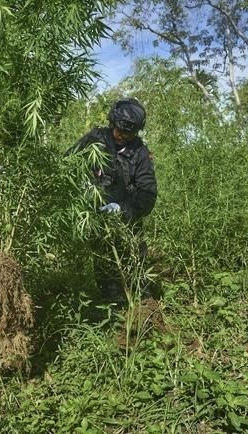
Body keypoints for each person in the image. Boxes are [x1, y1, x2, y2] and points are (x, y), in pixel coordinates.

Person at [66, 97, 157, 301]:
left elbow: (148, 193)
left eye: (129, 132)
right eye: (119, 130)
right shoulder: (94, 139)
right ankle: (116, 312)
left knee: (137, 271)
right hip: (97, 219)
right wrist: (81, 186)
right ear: (112, 122)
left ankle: (147, 313)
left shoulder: (140, 153)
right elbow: (67, 164)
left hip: (128, 222)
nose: (122, 136)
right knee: (106, 272)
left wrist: (123, 209)